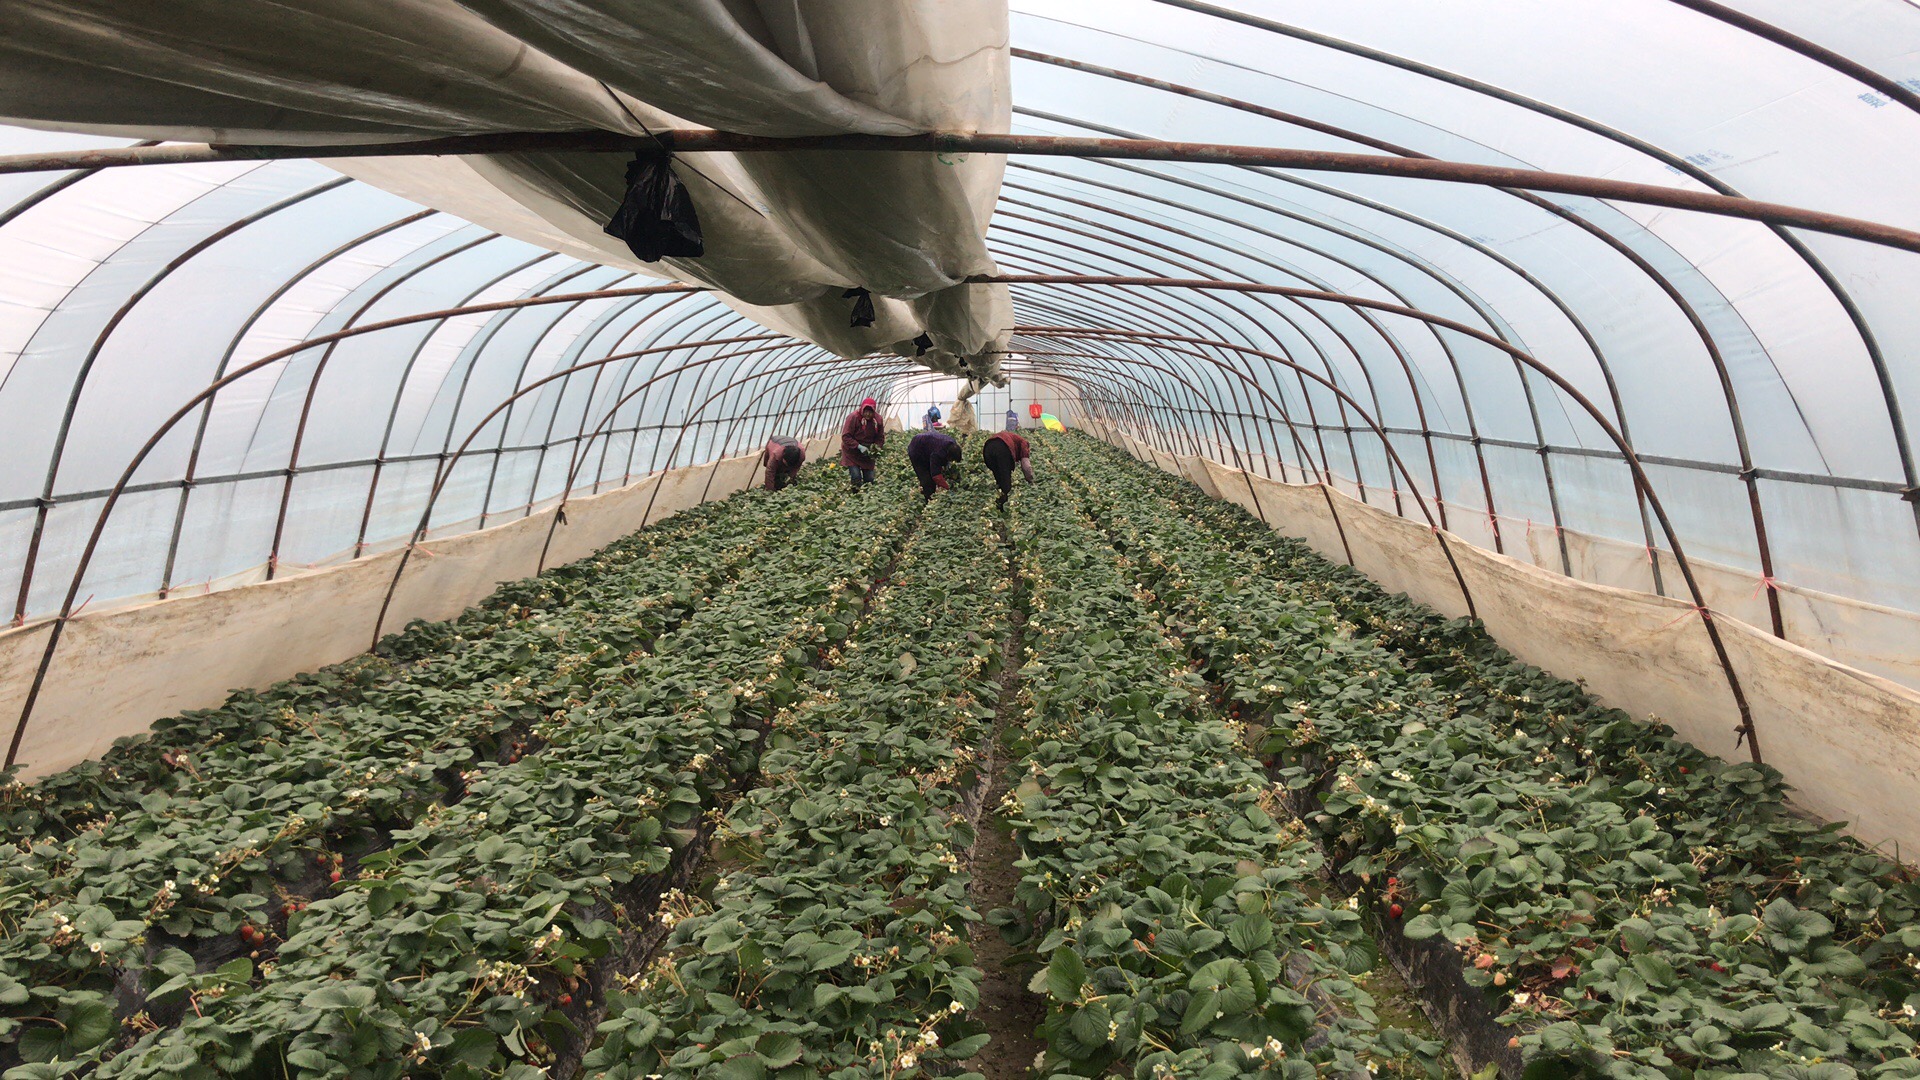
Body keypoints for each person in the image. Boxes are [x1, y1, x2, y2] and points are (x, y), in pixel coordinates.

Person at [982, 429, 1034, 510]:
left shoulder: (1012, 437)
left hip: (988, 448)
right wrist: (1030, 480)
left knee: (999, 478)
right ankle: (1002, 506)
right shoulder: (1024, 443)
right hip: (1002, 447)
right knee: (1006, 482)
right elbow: (1026, 465)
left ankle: (997, 503)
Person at [840, 397, 885, 491]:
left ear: (874, 411)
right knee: (856, 476)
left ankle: (867, 496)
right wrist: (858, 446)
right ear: (862, 409)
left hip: (868, 453)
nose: (868, 414)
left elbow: (880, 437)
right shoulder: (853, 417)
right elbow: (845, 436)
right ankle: (856, 495)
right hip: (852, 452)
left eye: (870, 412)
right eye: (866, 411)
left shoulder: (878, 420)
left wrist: (876, 448)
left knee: (869, 479)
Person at [906, 428, 962, 503]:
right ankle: (928, 501)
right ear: (948, 456)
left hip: (928, 445)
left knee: (935, 473)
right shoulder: (938, 453)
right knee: (927, 480)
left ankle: (928, 493)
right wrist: (947, 489)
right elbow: (936, 476)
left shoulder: (953, 444)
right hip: (916, 449)